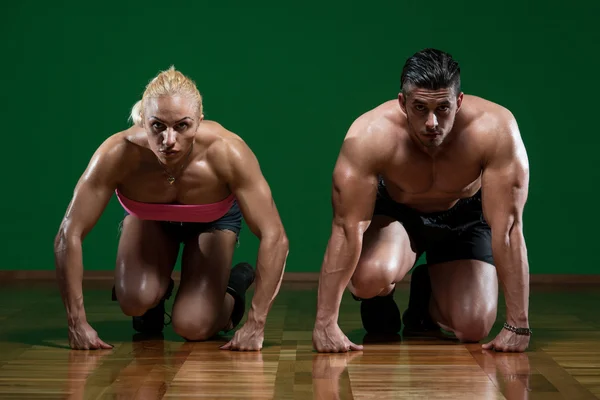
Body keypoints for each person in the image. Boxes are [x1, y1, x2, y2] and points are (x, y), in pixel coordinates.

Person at [54, 66, 289, 351]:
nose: (169, 141)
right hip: (150, 219)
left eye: (182, 126)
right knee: (134, 300)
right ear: (143, 121)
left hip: (212, 221)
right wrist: (76, 322)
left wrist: (255, 323)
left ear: (199, 122)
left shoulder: (227, 151)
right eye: (158, 126)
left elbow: (275, 237)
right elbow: (69, 233)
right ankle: (153, 300)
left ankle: (231, 288)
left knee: (193, 326)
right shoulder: (118, 153)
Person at [312, 48, 531, 353]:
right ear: (402, 103)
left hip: (464, 218)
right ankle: (380, 296)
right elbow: (347, 228)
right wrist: (325, 322)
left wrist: (518, 323)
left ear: (459, 101)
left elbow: (508, 228)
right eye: (419, 108)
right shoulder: (369, 136)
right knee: (366, 278)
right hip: (400, 217)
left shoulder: (494, 130)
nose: (431, 122)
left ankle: (425, 298)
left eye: (442, 108)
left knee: (473, 327)